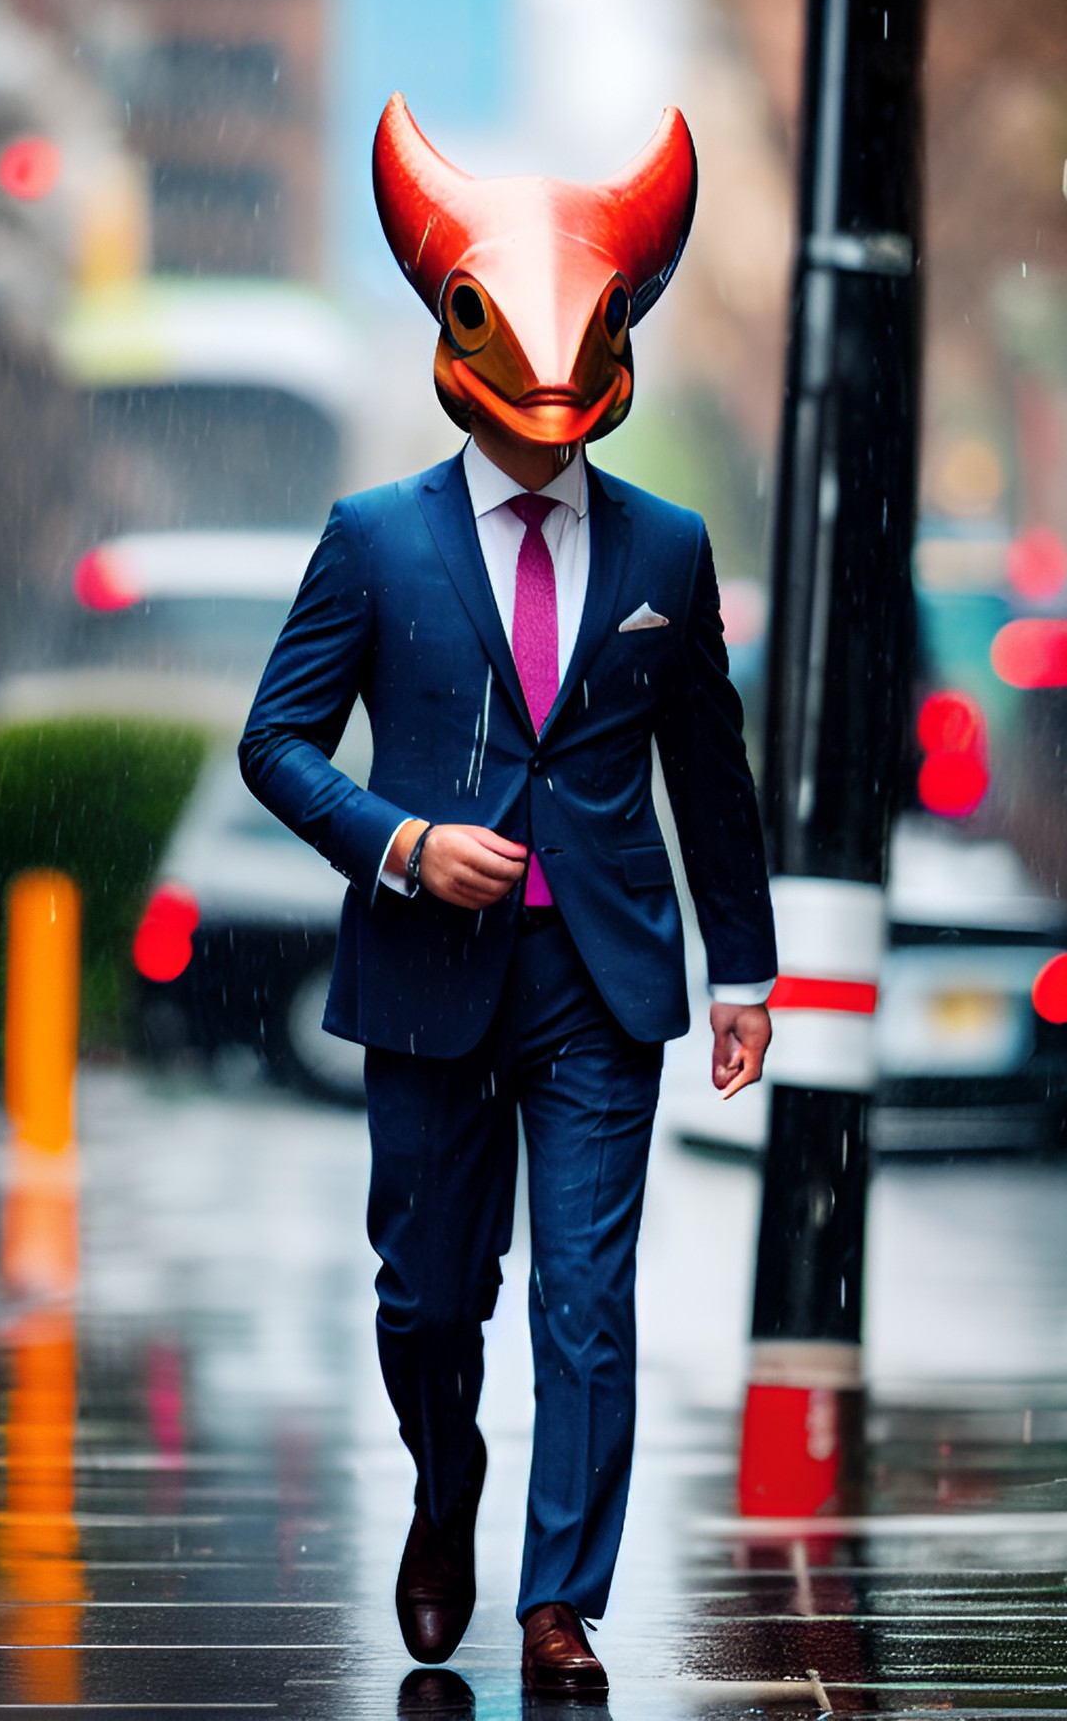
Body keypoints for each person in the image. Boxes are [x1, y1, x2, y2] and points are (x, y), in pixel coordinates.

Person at [239, 94, 777, 1701]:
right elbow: (275, 743)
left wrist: (747, 970)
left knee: (588, 1296)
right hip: (423, 971)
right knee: (425, 1297)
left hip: (600, 983)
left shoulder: (670, 553)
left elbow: (714, 776)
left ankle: (561, 1603)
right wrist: (401, 842)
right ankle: (446, 1476)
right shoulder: (372, 541)